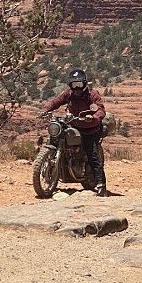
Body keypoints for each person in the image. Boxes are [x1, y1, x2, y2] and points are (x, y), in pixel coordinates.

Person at [42, 68, 109, 196]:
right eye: (74, 85)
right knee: (57, 137)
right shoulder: (68, 94)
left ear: (84, 84)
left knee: (93, 155)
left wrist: (94, 117)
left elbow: (100, 109)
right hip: (74, 127)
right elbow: (56, 101)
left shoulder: (92, 94)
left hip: (90, 129)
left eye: (79, 84)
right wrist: (46, 109)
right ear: (70, 85)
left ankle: (101, 185)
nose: (77, 88)